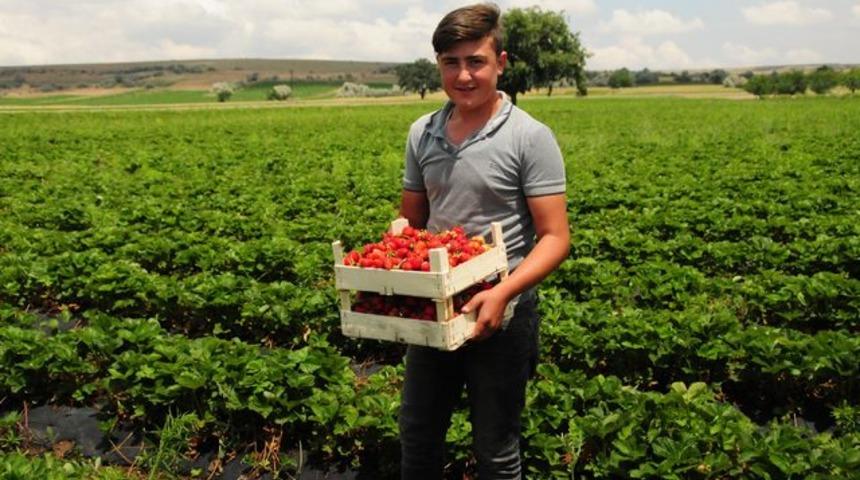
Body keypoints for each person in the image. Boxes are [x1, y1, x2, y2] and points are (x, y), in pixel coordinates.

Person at [396, 3, 570, 478]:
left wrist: (504, 291)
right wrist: (389, 273)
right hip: (436, 305)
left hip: (503, 310)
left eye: (476, 61)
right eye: (451, 62)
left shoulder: (529, 137)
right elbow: (411, 225)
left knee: (495, 445)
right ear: (438, 65)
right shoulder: (422, 132)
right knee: (418, 431)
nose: (464, 75)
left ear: (501, 62)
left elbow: (555, 237)